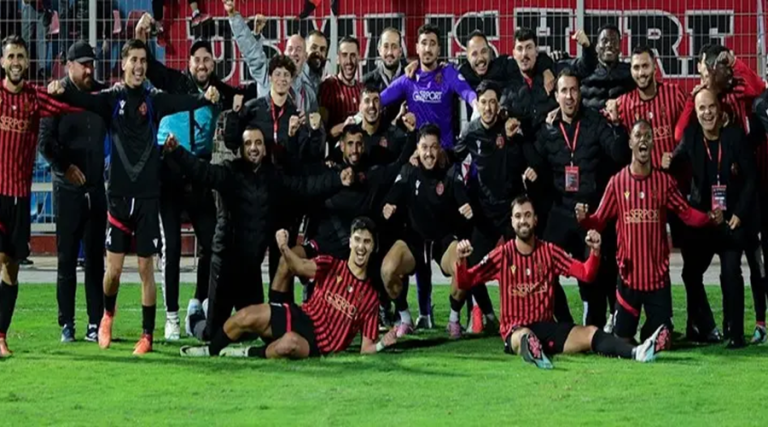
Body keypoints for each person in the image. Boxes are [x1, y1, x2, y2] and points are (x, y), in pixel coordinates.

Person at [47, 38, 221, 355]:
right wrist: (60, 90)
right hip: (117, 197)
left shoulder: (154, 100)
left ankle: (147, 335)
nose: (140, 66)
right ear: (124, 63)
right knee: (112, 272)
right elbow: (82, 99)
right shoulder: (112, 99)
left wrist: (203, 97)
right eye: (134, 60)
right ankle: (107, 317)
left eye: (144, 60)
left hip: (147, 198)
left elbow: (181, 101)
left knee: (145, 269)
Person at [162, 126, 351, 341]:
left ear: (264, 148)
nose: (254, 148)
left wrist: (338, 180)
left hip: (250, 270)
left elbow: (303, 186)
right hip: (224, 268)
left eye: (258, 143)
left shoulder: (273, 176)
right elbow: (202, 171)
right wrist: (177, 151)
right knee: (212, 335)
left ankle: (211, 313)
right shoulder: (228, 172)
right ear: (242, 148)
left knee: (254, 333)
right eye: (249, 143)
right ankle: (195, 320)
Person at [455, 195, 668, 369]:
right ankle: (535, 353)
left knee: (591, 333)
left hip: (548, 328)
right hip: (516, 330)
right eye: (518, 216)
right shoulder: (502, 255)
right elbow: (466, 281)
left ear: (535, 220)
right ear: (511, 221)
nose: (523, 221)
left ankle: (637, 352)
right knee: (525, 337)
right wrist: (461, 260)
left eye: (527, 215)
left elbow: (586, 274)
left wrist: (594, 252)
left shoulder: (549, 252)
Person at [134, 14, 246, 341]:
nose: (201, 64)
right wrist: (142, 36)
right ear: (189, 63)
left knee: (212, 243)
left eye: (207, 59)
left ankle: (198, 302)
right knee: (170, 249)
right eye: (196, 59)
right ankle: (170, 316)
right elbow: (150, 68)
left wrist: (240, 100)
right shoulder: (174, 82)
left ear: (214, 63)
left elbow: (247, 91)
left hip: (200, 175)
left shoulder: (220, 90)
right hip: (168, 173)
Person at [578, 119, 722, 345]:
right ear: (630, 142)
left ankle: (656, 329)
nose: (643, 141)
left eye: (647, 136)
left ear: (653, 143)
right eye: (638, 136)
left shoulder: (664, 182)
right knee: (622, 342)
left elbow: (686, 214)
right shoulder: (617, 182)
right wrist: (584, 219)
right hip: (628, 278)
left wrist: (709, 218)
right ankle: (619, 321)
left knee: (660, 342)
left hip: (657, 279)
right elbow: (599, 220)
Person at [180, 218, 399, 359]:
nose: (361, 247)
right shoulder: (332, 264)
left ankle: (245, 352)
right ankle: (210, 350)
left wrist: (382, 344)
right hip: (299, 315)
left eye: (367, 242)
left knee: (288, 345)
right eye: (358, 240)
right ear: (350, 242)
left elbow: (366, 348)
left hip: (319, 345)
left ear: (373, 247)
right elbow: (300, 266)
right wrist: (284, 247)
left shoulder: (370, 297)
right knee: (246, 315)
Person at [269, 123, 416, 305]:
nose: (355, 149)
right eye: (350, 144)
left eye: (359, 144)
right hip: (320, 247)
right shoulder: (328, 171)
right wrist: (292, 137)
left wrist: (412, 133)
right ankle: (276, 313)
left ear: (364, 146)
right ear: (342, 145)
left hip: (352, 258)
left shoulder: (372, 176)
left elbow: (399, 164)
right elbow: (297, 170)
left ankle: (393, 311)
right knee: (286, 261)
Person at [0, 35, 81, 357]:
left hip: (19, 196)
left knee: (11, 268)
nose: (16, 62)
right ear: (2, 62)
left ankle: (1, 336)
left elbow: (68, 106)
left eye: (21, 56)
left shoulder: (35, 98)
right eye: (11, 57)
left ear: (27, 62)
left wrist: (65, 87)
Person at [531, 69, 630, 329]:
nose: (569, 96)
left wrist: (618, 125)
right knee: (542, 266)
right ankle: (564, 322)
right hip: (561, 211)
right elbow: (534, 156)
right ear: (556, 95)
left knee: (594, 270)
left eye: (573, 90)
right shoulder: (549, 128)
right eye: (563, 91)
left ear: (580, 92)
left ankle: (593, 325)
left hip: (591, 212)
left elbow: (619, 155)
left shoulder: (596, 122)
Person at [663, 88, 757, 348]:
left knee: (730, 273)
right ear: (696, 112)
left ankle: (735, 332)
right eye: (701, 108)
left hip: (730, 220)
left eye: (711, 107)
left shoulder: (736, 138)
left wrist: (738, 213)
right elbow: (674, 158)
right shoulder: (692, 136)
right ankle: (705, 327)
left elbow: (751, 179)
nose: (707, 113)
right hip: (703, 222)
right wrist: (666, 160)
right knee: (690, 274)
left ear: (720, 109)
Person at [38, 41, 108, 343]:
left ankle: (95, 322)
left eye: (91, 63)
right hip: (67, 189)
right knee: (66, 259)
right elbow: (45, 143)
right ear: (69, 66)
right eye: (83, 64)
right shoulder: (56, 95)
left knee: (95, 260)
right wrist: (66, 167)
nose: (89, 69)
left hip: (96, 189)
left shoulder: (102, 94)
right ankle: (66, 323)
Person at [380, 124, 472, 337]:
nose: (429, 153)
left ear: (440, 148)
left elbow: (463, 199)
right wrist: (388, 205)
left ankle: (453, 319)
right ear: (417, 150)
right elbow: (394, 193)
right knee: (387, 270)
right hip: (414, 239)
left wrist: (466, 208)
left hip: (443, 240)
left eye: (433, 147)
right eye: (424, 147)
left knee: (462, 267)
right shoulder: (408, 171)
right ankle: (404, 317)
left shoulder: (450, 172)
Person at [452, 81, 528, 333]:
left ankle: (521, 318)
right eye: (483, 102)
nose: (488, 107)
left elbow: (527, 140)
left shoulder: (508, 126)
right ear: (478, 104)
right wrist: (463, 199)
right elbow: (453, 164)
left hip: (510, 213)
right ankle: (488, 314)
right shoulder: (471, 132)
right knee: (473, 267)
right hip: (484, 213)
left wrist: (517, 131)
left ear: (499, 104)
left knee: (518, 267)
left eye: (493, 102)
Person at [381, 23, 477, 149]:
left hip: (445, 155)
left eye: (432, 44)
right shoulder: (409, 78)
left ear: (439, 49)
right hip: (418, 156)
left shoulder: (448, 73)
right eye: (424, 43)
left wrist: (476, 106)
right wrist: (357, 118)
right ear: (417, 48)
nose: (427, 49)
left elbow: (467, 92)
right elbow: (379, 99)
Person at [223, 0, 318, 113]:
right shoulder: (268, 76)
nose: (294, 53)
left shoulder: (308, 93)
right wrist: (233, 16)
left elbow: (315, 124)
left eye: (299, 49)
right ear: (284, 54)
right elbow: (251, 52)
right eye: (290, 49)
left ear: (305, 56)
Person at [555, 25, 634, 111]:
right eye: (605, 41)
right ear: (596, 47)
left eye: (614, 41)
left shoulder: (630, 72)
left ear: (620, 47)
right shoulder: (584, 70)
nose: (609, 45)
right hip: (589, 122)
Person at [319, 36, 363, 141]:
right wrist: (343, 127)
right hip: (336, 154)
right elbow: (321, 131)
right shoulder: (328, 86)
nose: (349, 61)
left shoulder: (362, 89)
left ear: (359, 58)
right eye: (344, 55)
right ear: (338, 59)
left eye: (353, 55)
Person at [362, 27, 406, 126]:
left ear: (400, 51)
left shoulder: (409, 79)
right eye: (386, 46)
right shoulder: (368, 81)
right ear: (379, 50)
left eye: (394, 47)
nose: (389, 52)